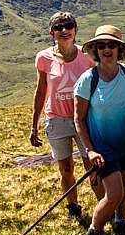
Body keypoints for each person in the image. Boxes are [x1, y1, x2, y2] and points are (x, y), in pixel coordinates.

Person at [73, 25, 125, 235]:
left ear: (119, 49)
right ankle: (94, 231)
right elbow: (79, 119)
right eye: (101, 45)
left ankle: (121, 224)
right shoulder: (88, 80)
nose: (106, 49)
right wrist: (90, 150)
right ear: (95, 50)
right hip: (102, 146)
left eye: (111, 45)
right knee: (114, 193)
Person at [29, 11, 102, 220]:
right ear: (52, 33)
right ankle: (73, 207)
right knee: (66, 168)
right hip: (56, 120)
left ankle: (104, 207)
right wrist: (34, 124)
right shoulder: (44, 58)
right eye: (59, 27)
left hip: (84, 119)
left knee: (92, 166)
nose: (64, 30)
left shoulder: (87, 57)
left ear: (75, 30)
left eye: (68, 26)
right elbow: (41, 90)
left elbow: (97, 87)